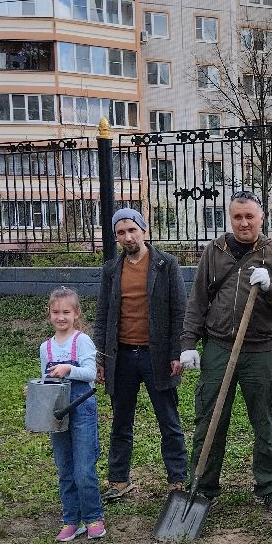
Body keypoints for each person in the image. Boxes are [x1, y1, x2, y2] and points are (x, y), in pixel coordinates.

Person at [179, 190, 272, 515]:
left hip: (261, 351)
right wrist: (189, 344)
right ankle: (202, 486)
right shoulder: (214, 251)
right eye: (238, 216)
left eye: (250, 216)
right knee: (210, 418)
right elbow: (197, 301)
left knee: (266, 420)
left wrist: (271, 288)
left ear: (261, 218)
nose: (244, 222)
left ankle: (271, 486)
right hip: (218, 347)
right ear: (230, 218)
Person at [94, 208, 188, 501]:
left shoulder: (166, 264)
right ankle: (119, 480)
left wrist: (177, 352)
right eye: (120, 232)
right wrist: (100, 357)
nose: (127, 237)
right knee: (121, 421)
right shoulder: (111, 270)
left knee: (168, 421)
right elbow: (103, 315)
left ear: (144, 231)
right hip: (121, 356)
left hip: (156, 356)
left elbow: (179, 311)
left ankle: (177, 480)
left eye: (132, 230)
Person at [41, 286, 104, 542]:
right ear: (49, 315)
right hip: (57, 412)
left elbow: (90, 375)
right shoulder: (46, 347)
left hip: (81, 409)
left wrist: (69, 368)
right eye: (56, 312)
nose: (61, 317)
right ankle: (71, 519)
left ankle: (93, 517)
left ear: (76, 314)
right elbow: (46, 378)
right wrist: (34, 388)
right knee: (64, 467)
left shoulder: (82, 341)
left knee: (84, 468)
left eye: (66, 311)